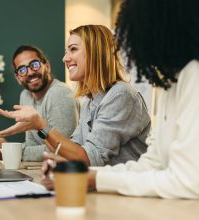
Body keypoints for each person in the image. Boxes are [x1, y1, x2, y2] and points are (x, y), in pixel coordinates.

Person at [43, 0, 199, 199]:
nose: (131, 45)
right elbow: (152, 164)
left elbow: (187, 182)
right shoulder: (171, 84)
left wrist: (94, 179)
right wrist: (83, 174)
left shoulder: (193, 75)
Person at [0, 25, 151, 166]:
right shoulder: (90, 102)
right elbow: (72, 149)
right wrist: (39, 129)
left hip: (126, 193)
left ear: (95, 52)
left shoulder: (121, 95)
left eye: (73, 49)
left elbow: (89, 158)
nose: (65, 58)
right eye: (66, 52)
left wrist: (41, 125)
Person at [0, 45, 79, 161]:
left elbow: (62, 150)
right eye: (22, 70)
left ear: (47, 66)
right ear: (18, 78)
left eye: (34, 64)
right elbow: (31, 145)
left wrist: (10, 151)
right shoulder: (25, 96)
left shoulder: (60, 93)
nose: (29, 73)